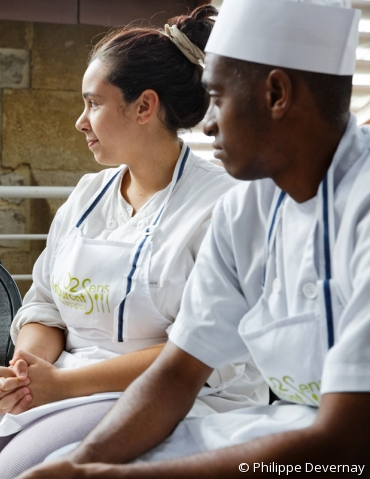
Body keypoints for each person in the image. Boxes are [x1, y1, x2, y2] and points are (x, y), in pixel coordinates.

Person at [18, 0, 370, 477]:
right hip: (288, 428)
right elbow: (179, 371)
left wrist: (115, 475)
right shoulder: (245, 210)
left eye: (219, 98)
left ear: (276, 94)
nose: (206, 124)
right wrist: (81, 462)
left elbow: (344, 442)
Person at [0, 6, 268, 479]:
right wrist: (28, 366)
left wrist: (63, 383)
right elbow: (45, 304)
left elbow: (199, 353)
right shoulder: (87, 197)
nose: (80, 122)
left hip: (180, 392)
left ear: (144, 106)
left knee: (15, 470)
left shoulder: (220, 206)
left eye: (94, 103)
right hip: (68, 373)